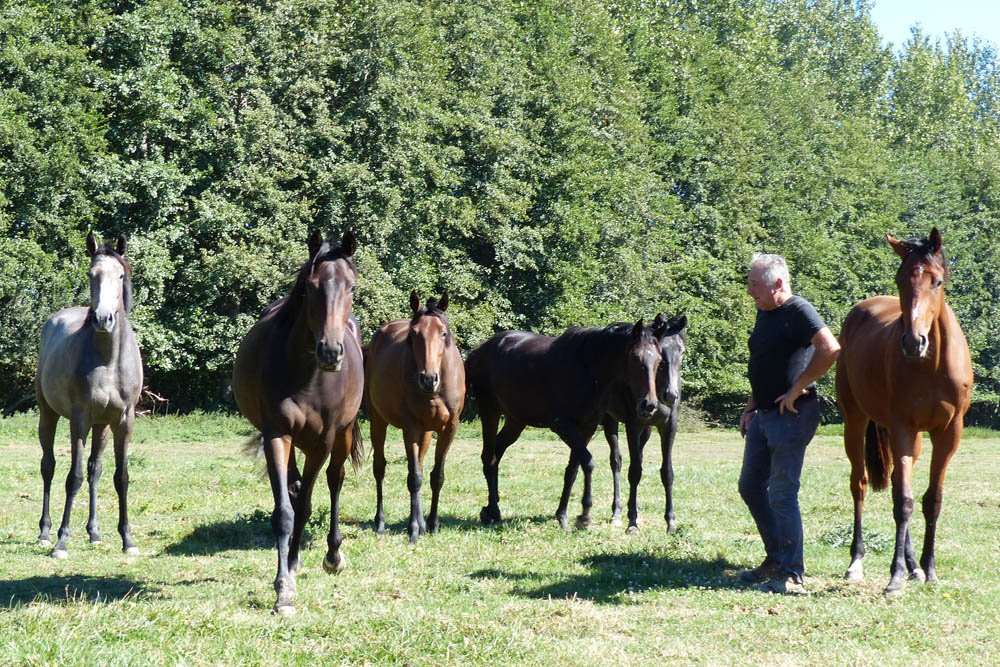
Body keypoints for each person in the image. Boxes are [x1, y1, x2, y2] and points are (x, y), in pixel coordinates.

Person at [737, 253, 840, 594]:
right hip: (763, 414)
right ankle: (776, 557)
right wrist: (751, 407)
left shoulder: (799, 310)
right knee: (751, 487)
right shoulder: (764, 312)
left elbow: (830, 348)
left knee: (782, 493)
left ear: (778, 284)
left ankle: (792, 573)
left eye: (754, 284)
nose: (749, 291)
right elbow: (764, 362)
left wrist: (797, 389)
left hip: (792, 416)